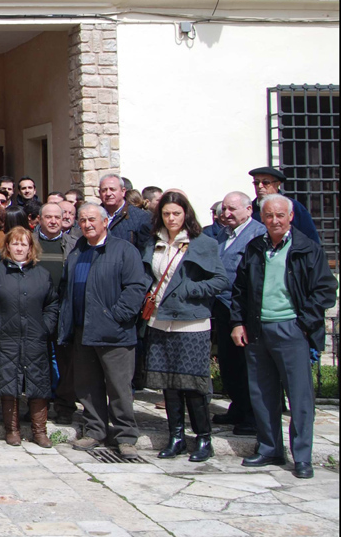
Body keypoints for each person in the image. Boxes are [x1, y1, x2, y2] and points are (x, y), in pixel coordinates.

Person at [231, 194, 336, 479]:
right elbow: (240, 289)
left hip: (292, 330)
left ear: (290, 217)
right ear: (262, 218)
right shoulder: (255, 248)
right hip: (257, 330)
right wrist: (238, 322)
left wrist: (304, 323)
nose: (274, 220)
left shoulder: (307, 248)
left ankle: (302, 457)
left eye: (280, 215)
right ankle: (269, 449)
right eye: (269, 216)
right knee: (263, 394)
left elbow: (325, 289)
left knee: (300, 397)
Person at [141, 191, 230, 463]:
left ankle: (204, 438)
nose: (171, 218)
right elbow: (149, 275)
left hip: (191, 320)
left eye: (176, 213)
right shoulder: (154, 242)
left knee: (193, 383)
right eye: (166, 214)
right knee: (169, 383)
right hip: (160, 319)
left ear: (186, 214)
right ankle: (176, 437)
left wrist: (191, 288)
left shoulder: (202, 243)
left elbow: (220, 280)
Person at [59, 204, 150, 457]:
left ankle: (126, 436)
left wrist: (115, 316)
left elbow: (135, 289)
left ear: (106, 221)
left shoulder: (124, 250)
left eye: (92, 220)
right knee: (88, 386)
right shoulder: (78, 250)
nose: (87, 224)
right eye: (83, 220)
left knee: (119, 388)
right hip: (82, 331)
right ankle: (95, 431)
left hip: (115, 333)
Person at [0, 227, 60, 447]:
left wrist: (46, 326)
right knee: (8, 383)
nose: (19, 248)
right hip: (5, 337)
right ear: (7, 247)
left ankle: (39, 431)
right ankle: (11, 430)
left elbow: (52, 303)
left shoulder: (41, 274)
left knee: (38, 383)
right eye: (15, 243)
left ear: (31, 248)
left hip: (34, 337)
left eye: (24, 244)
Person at [211, 192, 264, 435]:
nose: (226, 214)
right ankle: (238, 406)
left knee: (247, 365)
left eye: (232, 209)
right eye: (224, 209)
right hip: (222, 308)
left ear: (248, 209)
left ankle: (252, 416)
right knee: (229, 362)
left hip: (243, 310)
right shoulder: (223, 234)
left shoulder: (257, 234)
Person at [35, 202, 79, 423]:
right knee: (37, 361)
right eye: (48, 217)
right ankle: (36, 406)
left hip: (64, 311)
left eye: (57, 217)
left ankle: (65, 407)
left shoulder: (74, 244)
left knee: (66, 362)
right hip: (35, 311)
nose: (53, 221)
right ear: (39, 219)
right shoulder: (28, 242)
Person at [248, 166, 320, 243]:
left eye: (265, 183)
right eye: (256, 183)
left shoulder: (293, 206)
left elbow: (310, 237)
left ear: (277, 184)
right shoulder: (250, 209)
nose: (260, 186)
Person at [99, 174, 152, 255]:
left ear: (123, 191)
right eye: (104, 190)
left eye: (112, 189)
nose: (108, 193)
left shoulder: (141, 217)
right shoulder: (93, 216)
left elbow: (144, 252)